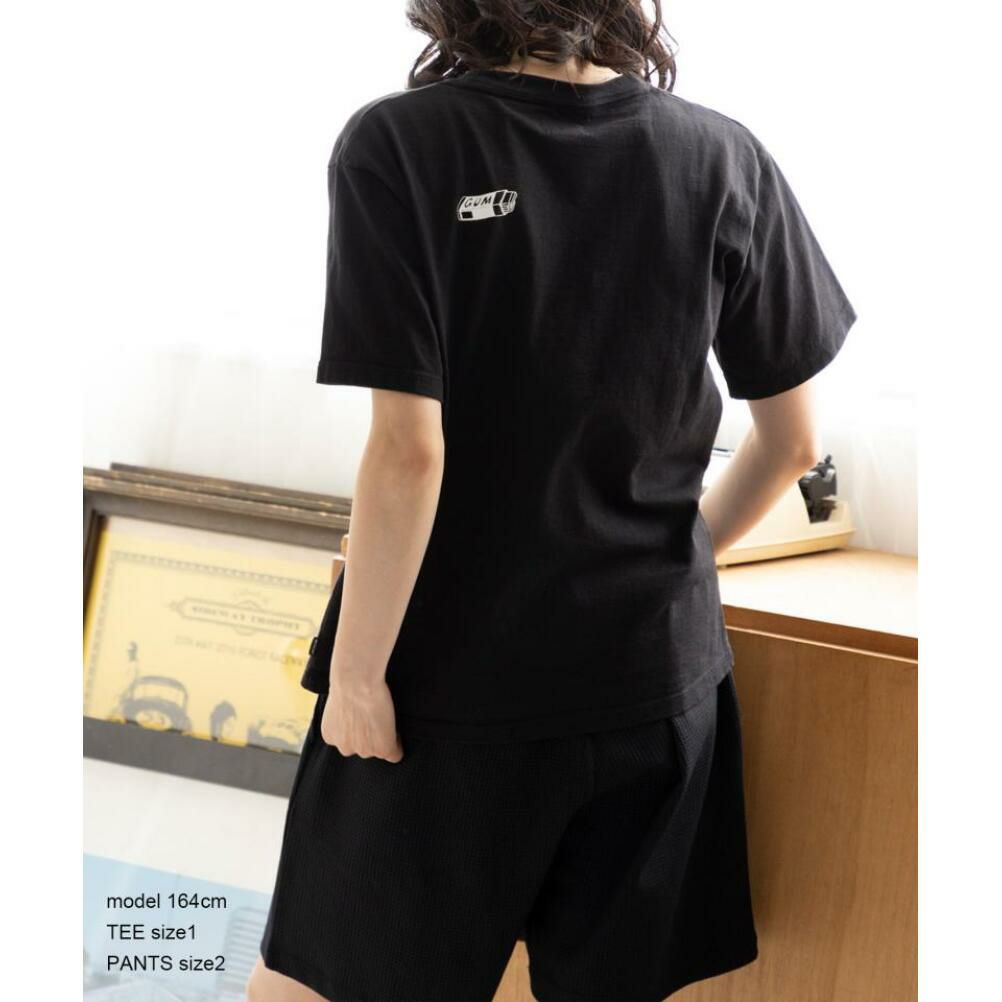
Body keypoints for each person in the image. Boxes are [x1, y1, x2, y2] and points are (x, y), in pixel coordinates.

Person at [248, 1, 857, 999]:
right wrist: (670, 567)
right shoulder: (724, 155)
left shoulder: (401, 142)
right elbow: (792, 445)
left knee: (314, 985)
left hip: (448, 690)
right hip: (654, 684)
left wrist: (355, 677)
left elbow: (409, 455)